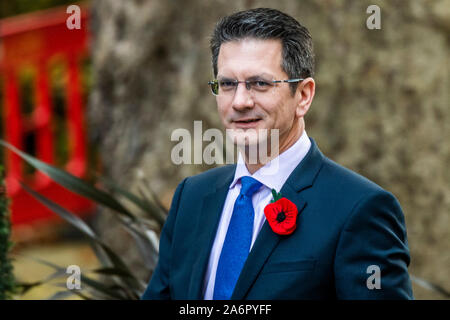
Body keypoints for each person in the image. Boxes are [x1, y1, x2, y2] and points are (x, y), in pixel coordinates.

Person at [142, 8, 413, 300]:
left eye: (260, 83)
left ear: (304, 96)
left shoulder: (360, 209)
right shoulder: (191, 198)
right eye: (228, 84)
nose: (240, 101)